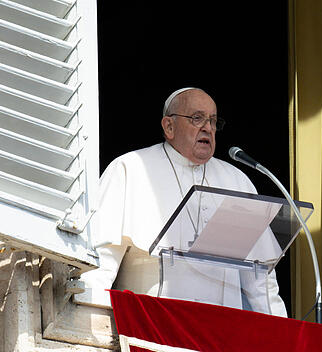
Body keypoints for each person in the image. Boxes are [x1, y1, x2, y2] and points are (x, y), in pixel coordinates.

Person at [77, 88, 287, 317]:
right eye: (197, 118)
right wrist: (87, 317)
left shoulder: (237, 181)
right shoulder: (130, 168)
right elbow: (102, 261)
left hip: (222, 332)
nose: (207, 127)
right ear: (169, 126)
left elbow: (260, 279)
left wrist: (282, 332)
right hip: (153, 327)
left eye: (213, 121)